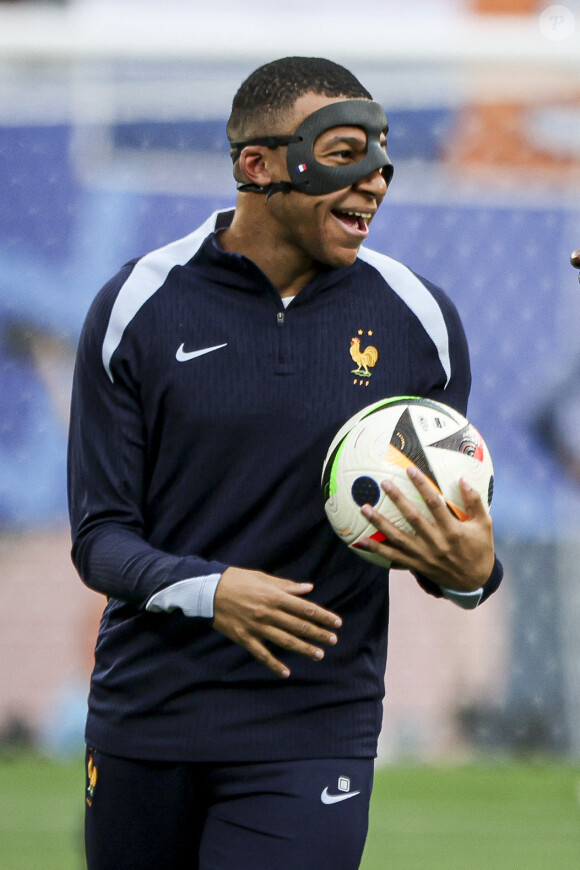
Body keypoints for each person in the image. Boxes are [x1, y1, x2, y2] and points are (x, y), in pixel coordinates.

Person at [68, 56, 503, 870]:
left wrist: (473, 571)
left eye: (382, 154)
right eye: (345, 152)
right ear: (257, 165)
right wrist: (215, 591)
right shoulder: (137, 305)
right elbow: (100, 538)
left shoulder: (418, 319)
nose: (375, 179)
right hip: (150, 714)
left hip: (316, 719)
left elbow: (448, 535)